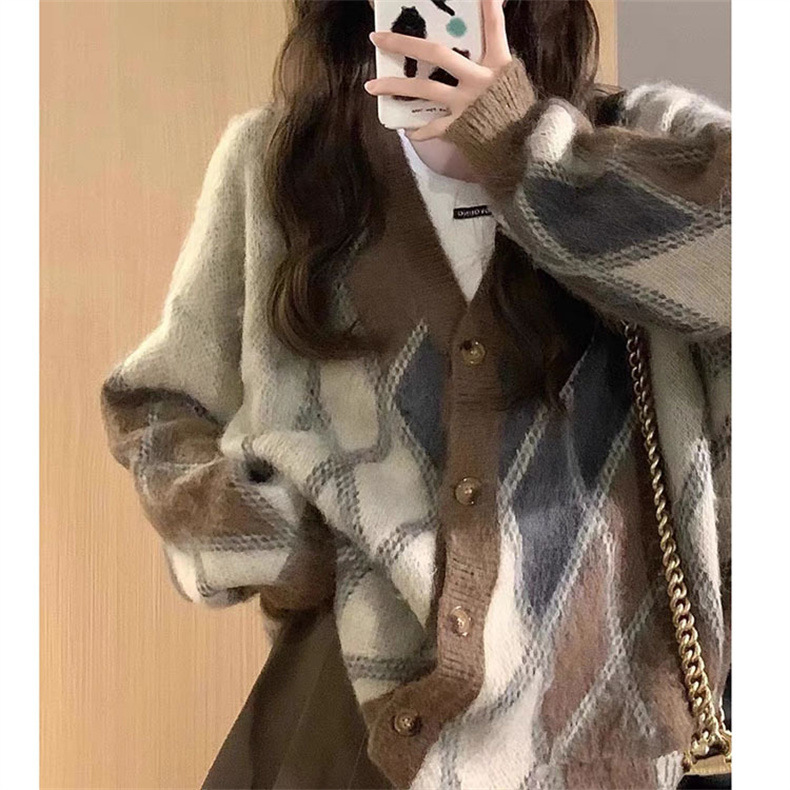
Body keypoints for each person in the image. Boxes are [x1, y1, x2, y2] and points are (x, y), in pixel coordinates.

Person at [99, 1, 731, 788]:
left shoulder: (650, 135)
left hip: (611, 739)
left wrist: (518, 143)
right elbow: (158, 410)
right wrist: (287, 538)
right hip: (354, 732)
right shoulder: (278, 164)